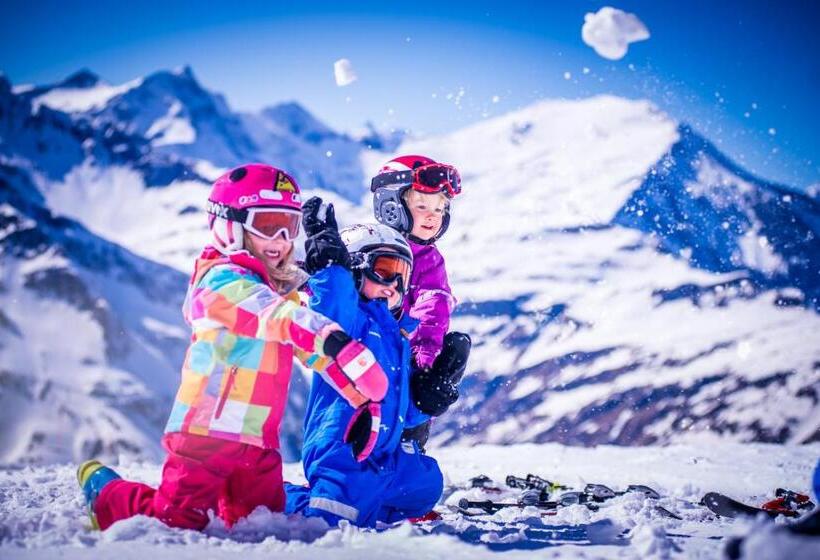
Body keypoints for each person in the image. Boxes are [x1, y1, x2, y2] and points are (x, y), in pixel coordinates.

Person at [76, 164, 389, 531]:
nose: (281, 239)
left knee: (261, 523)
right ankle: (106, 494)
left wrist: (362, 398)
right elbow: (278, 318)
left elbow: (312, 350)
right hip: (205, 435)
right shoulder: (221, 283)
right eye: (268, 225)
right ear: (230, 225)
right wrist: (334, 339)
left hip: (259, 440)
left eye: (289, 227)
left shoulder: (276, 291)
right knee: (177, 519)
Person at [285, 198, 444, 527]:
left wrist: (428, 398)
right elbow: (330, 305)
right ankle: (280, 495)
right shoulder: (350, 323)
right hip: (343, 452)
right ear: (356, 270)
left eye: (402, 276)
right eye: (385, 271)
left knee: (426, 485)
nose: (395, 286)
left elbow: (402, 406)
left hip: (386, 455)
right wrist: (330, 267)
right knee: (335, 517)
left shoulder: (397, 338)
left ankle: (370, 501)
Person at [370, 155, 471, 449]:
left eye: (440, 208)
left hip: (408, 359)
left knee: (404, 438)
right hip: (366, 357)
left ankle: (409, 448)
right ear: (391, 207)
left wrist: (425, 357)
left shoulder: (429, 260)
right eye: (422, 206)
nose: (432, 216)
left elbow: (433, 304)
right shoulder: (366, 245)